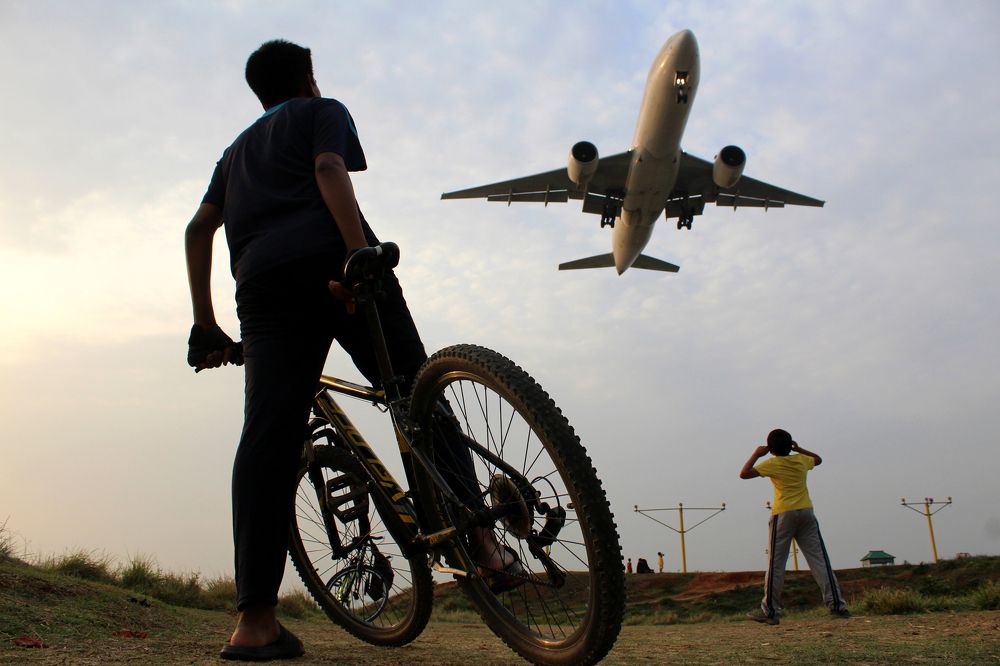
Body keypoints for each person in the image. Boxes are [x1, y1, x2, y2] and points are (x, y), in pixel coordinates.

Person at [185, 39, 517, 661]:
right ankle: (482, 545)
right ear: (308, 78)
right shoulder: (321, 110)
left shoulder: (233, 155)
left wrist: (205, 325)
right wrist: (355, 254)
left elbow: (199, 228)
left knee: (266, 438)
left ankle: (254, 623)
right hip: (332, 259)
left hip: (262, 289)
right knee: (415, 393)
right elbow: (329, 169)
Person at [739, 428, 850, 625]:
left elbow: (744, 474)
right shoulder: (801, 460)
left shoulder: (772, 463)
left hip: (783, 514)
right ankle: (837, 606)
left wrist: (756, 454)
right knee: (820, 561)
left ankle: (771, 611)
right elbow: (818, 459)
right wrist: (799, 449)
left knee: (776, 564)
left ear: (770, 449)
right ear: (790, 445)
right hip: (806, 512)